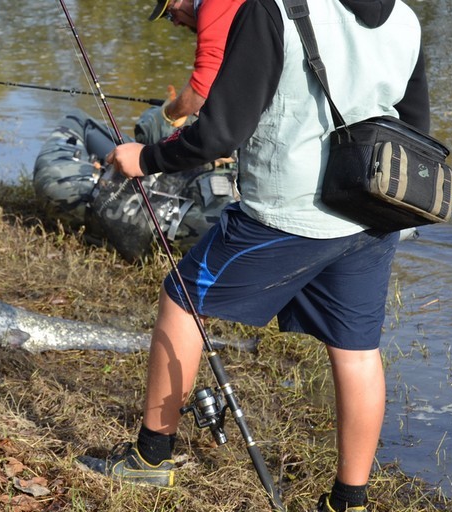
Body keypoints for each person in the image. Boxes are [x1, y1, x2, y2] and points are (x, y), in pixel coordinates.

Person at [77, 0, 430, 510]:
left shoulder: (272, 9)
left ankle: (150, 460)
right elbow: (414, 127)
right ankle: (349, 502)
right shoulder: (405, 17)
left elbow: (220, 132)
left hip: (289, 213)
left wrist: (148, 157)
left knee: (183, 299)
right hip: (371, 213)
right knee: (356, 351)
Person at [135, 0, 245, 142]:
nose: (175, 23)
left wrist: (168, 114)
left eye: (171, 13)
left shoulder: (213, 4)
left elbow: (201, 88)